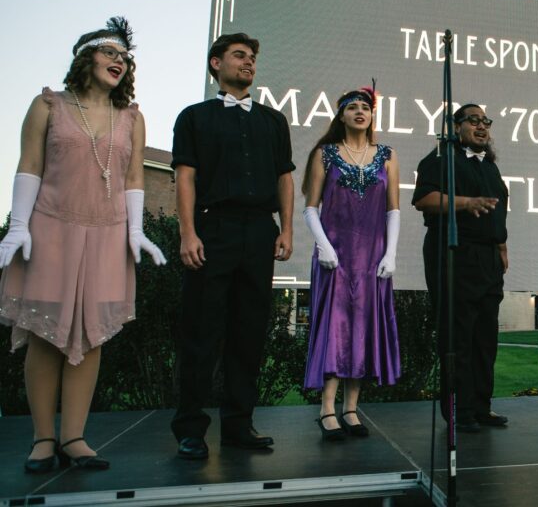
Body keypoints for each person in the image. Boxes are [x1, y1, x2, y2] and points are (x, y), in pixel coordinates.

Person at [0, 17, 166, 473]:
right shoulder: (48, 105)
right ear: (85, 56)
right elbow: (29, 164)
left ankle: (74, 437)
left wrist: (135, 231)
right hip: (52, 228)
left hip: (108, 232)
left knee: (91, 336)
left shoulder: (131, 117)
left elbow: (134, 178)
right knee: (45, 333)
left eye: (125, 57)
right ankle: (42, 438)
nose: (120, 61)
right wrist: (18, 226)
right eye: (110, 52)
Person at [170, 33, 295, 459]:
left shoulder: (273, 120)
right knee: (201, 333)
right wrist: (188, 233)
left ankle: (239, 425)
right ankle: (190, 429)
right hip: (213, 229)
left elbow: (284, 177)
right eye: (239, 56)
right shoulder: (194, 117)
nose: (248, 63)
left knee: (249, 333)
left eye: (252, 58)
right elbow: (184, 176)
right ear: (215, 64)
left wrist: (287, 229)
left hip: (259, 232)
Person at [301, 85, 401, 440]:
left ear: (372, 116)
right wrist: (323, 246)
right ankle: (327, 408)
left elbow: (393, 209)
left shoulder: (386, 155)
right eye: (353, 107)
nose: (360, 112)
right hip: (335, 255)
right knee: (334, 326)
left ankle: (351, 408)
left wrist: (390, 253)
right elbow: (311, 207)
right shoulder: (325, 154)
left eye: (366, 107)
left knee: (364, 327)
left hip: (372, 256)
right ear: (341, 114)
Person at [412, 103, 509, 433]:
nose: (481, 126)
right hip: (453, 253)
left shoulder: (491, 167)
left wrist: (501, 246)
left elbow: (497, 211)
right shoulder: (442, 158)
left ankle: (482, 407)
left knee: (486, 338)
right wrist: (466, 203)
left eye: (486, 121)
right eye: (473, 120)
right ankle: (459, 411)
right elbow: (423, 199)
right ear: (456, 127)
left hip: (488, 259)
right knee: (459, 336)